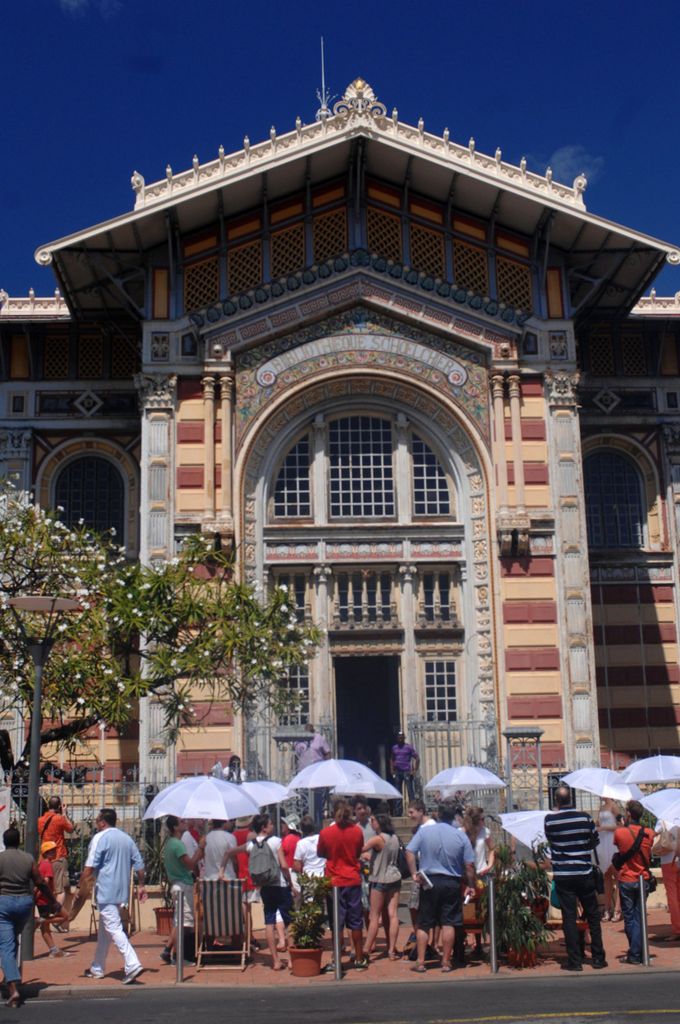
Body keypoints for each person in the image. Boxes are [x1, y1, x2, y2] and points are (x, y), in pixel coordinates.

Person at [405, 801, 475, 973]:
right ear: (454, 817)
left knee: (424, 922)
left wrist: (414, 873)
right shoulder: (460, 836)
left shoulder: (425, 832)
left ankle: (421, 961)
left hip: (429, 880)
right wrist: (471, 884)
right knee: (448, 922)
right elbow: (469, 865)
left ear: (438, 814)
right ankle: (445, 961)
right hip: (451, 881)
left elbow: (409, 851)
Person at [80, 808, 148, 984]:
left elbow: (90, 865)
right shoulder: (127, 839)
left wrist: (82, 884)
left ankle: (132, 963)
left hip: (106, 890)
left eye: (97, 820)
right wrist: (141, 886)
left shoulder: (99, 838)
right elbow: (140, 867)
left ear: (103, 822)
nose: (96, 822)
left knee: (114, 928)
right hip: (121, 892)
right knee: (105, 931)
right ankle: (97, 967)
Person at [544, 785, 607, 972]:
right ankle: (598, 958)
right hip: (584, 873)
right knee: (593, 916)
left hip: (563, 875)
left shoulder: (550, 820)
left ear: (556, 800)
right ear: (571, 798)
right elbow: (595, 841)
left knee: (569, 917)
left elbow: (551, 841)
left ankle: (575, 961)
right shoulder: (585, 817)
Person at [0, 827, 53, 1007]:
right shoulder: (28, 858)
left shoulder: (0, 858)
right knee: (13, 941)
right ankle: (10, 975)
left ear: (4, 842)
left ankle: (13, 988)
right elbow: (40, 882)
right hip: (24, 904)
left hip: (4, 904)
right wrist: (54, 902)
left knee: (6, 946)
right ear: (19, 841)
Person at [317, 799, 367, 972]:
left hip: (335, 880)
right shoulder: (357, 832)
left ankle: (336, 957)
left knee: (336, 922)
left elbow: (321, 852)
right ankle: (359, 957)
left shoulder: (326, 833)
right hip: (352, 878)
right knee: (356, 921)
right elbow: (359, 851)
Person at [247, 813, 293, 971]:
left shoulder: (251, 844)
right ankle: (292, 960)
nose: (273, 826)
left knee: (269, 922)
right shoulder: (275, 841)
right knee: (289, 922)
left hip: (264, 886)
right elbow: (284, 865)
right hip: (279, 884)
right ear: (264, 828)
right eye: (270, 824)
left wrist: (223, 865)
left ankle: (275, 961)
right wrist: (291, 882)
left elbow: (233, 852)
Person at [614, 799, 655, 965]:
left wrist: (624, 825)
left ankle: (635, 953)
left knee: (630, 918)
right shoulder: (649, 833)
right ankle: (638, 951)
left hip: (626, 878)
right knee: (639, 916)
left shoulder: (620, 832)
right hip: (643, 877)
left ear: (629, 814)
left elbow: (619, 848)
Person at [161, 816, 204, 966]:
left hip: (179, 883)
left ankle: (175, 953)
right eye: (181, 822)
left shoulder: (171, 843)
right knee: (183, 922)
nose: (185, 823)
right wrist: (201, 848)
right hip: (182, 885)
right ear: (175, 827)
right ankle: (178, 957)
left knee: (182, 921)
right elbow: (191, 864)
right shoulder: (177, 844)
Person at [362, 813, 401, 960]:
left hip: (380, 879)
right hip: (394, 877)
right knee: (393, 914)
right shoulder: (395, 838)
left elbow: (361, 848)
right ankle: (391, 949)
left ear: (379, 823)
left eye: (373, 820)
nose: (371, 823)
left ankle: (366, 949)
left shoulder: (378, 838)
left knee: (374, 916)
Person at [462, 806, 494, 957]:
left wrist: (490, 864)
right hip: (466, 877)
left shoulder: (485, 832)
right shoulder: (462, 833)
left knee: (481, 910)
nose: (483, 821)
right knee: (467, 911)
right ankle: (463, 943)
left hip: (481, 873)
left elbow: (492, 849)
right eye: (481, 819)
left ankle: (479, 944)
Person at [37, 796, 74, 917]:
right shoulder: (59, 819)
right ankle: (56, 914)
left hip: (44, 859)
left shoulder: (40, 820)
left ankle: (44, 913)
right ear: (59, 806)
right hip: (58, 856)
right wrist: (64, 814)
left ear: (48, 805)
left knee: (46, 888)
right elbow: (70, 829)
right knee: (60, 889)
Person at [406, 799, 435, 941]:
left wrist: (413, 873)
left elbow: (410, 851)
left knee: (419, 907)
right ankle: (420, 937)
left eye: (411, 812)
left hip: (427, 872)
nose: (409, 815)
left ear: (421, 811)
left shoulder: (430, 826)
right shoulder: (420, 827)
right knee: (414, 906)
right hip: (421, 869)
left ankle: (426, 940)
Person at [35, 841, 71, 957]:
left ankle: (53, 950)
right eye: (53, 850)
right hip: (47, 900)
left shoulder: (41, 864)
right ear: (48, 853)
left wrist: (36, 897)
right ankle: (41, 921)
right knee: (65, 916)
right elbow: (44, 882)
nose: (55, 852)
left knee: (45, 927)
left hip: (42, 900)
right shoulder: (47, 865)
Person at [294, 724, 331, 825]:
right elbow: (296, 756)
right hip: (304, 775)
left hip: (318, 774)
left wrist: (328, 769)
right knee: (305, 802)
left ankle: (318, 825)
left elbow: (327, 753)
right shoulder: (298, 741)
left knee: (318, 802)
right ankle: (307, 825)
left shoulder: (319, 738)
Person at [653, 818, 680, 941]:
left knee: (672, 896)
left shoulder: (663, 819)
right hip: (678, 858)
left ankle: (677, 928)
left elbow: (655, 834)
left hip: (668, 860)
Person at [597, 797, 621, 922]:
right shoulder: (601, 807)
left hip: (612, 841)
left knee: (617, 876)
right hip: (603, 841)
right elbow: (598, 823)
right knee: (606, 875)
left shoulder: (614, 806)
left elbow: (620, 825)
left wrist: (604, 828)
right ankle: (607, 908)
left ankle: (617, 908)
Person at [390, 731, 419, 812]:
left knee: (410, 792)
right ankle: (398, 812)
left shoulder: (409, 747)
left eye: (402, 737)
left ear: (404, 738)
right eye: (399, 737)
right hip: (397, 772)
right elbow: (392, 758)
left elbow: (417, 758)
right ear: (397, 738)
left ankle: (412, 809)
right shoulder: (394, 748)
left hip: (407, 771)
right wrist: (392, 770)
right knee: (398, 792)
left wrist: (414, 770)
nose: (400, 739)